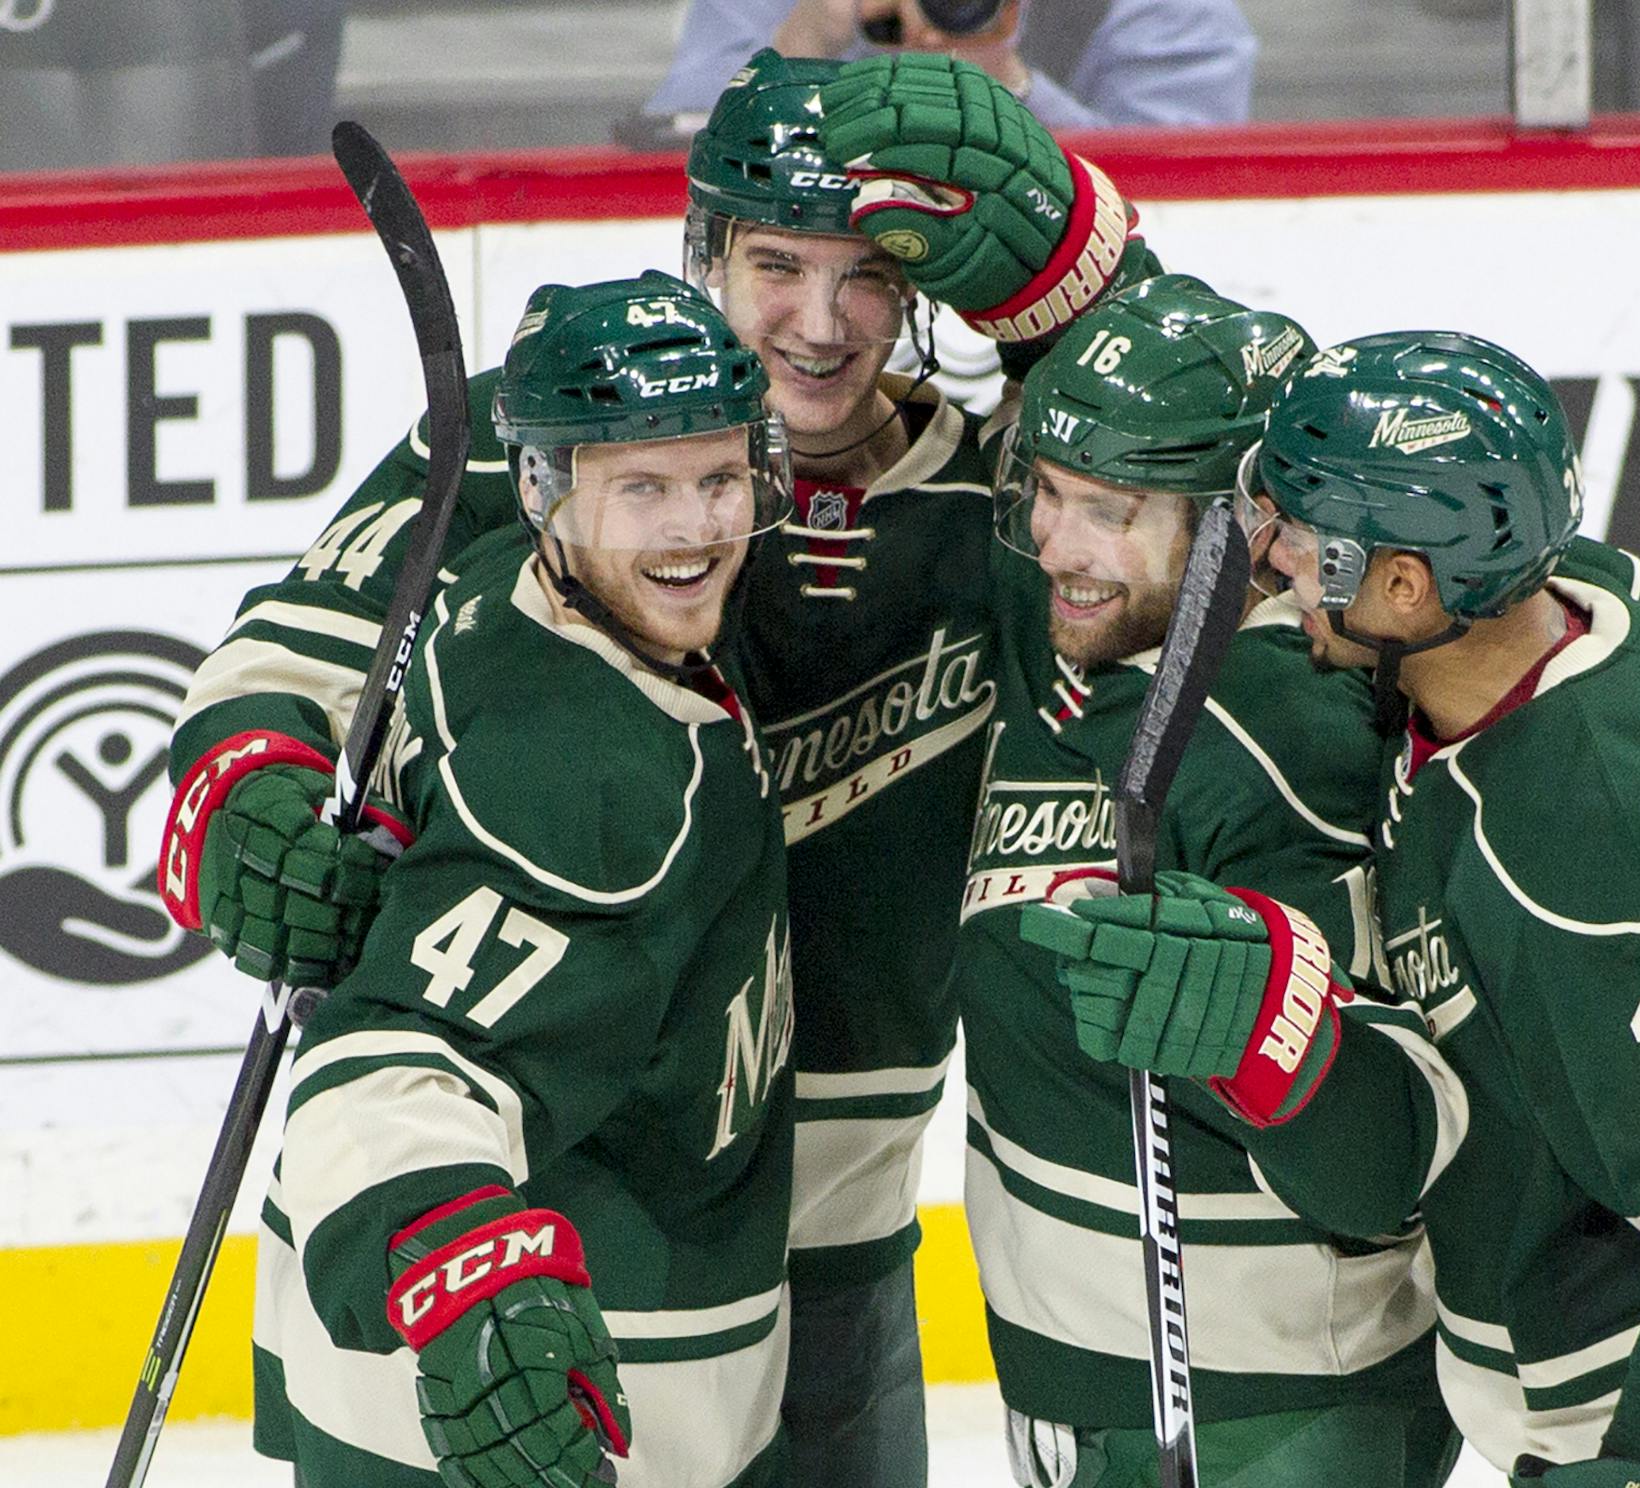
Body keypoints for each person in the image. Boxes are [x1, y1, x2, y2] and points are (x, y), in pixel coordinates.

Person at [158, 48, 1161, 1488]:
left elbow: (1205, 516)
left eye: (869, 274)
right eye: (775, 265)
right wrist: (252, 796)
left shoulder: (1006, 494)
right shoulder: (553, 433)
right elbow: (303, 651)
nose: (819, 324)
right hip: (530, 1185)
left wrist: (1080, 281)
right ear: (707, 253)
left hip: (826, 1224)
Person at [1022, 331, 1640, 1486]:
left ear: (1404, 586)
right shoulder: (1531, 634)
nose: (1271, 559)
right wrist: (1286, 1028)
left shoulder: (1596, 824)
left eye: (1301, 537)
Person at [196, 272, 796, 1486]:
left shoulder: (487, 580)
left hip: (395, 1371)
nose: (693, 530)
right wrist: (465, 1279)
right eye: (642, 488)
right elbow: (394, 1067)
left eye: (720, 480)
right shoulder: (602, 786)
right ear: (545, 489)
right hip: (557, 1393)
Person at [952, 275, 1465, 1488]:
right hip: (1113, 1402)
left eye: (1109, 511)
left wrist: (1276, 1033)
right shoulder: (1105, 650)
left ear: (1252, 526)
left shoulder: (1282, 735)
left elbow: (1389, 1160)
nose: (1056, 546)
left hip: (1265, 1425)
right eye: (1048, 494)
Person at [644, 0, 1258, 131]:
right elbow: (670, 169)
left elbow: (1190, 207)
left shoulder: (1168, 12)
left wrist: (1007, 86)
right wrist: (802, 46)